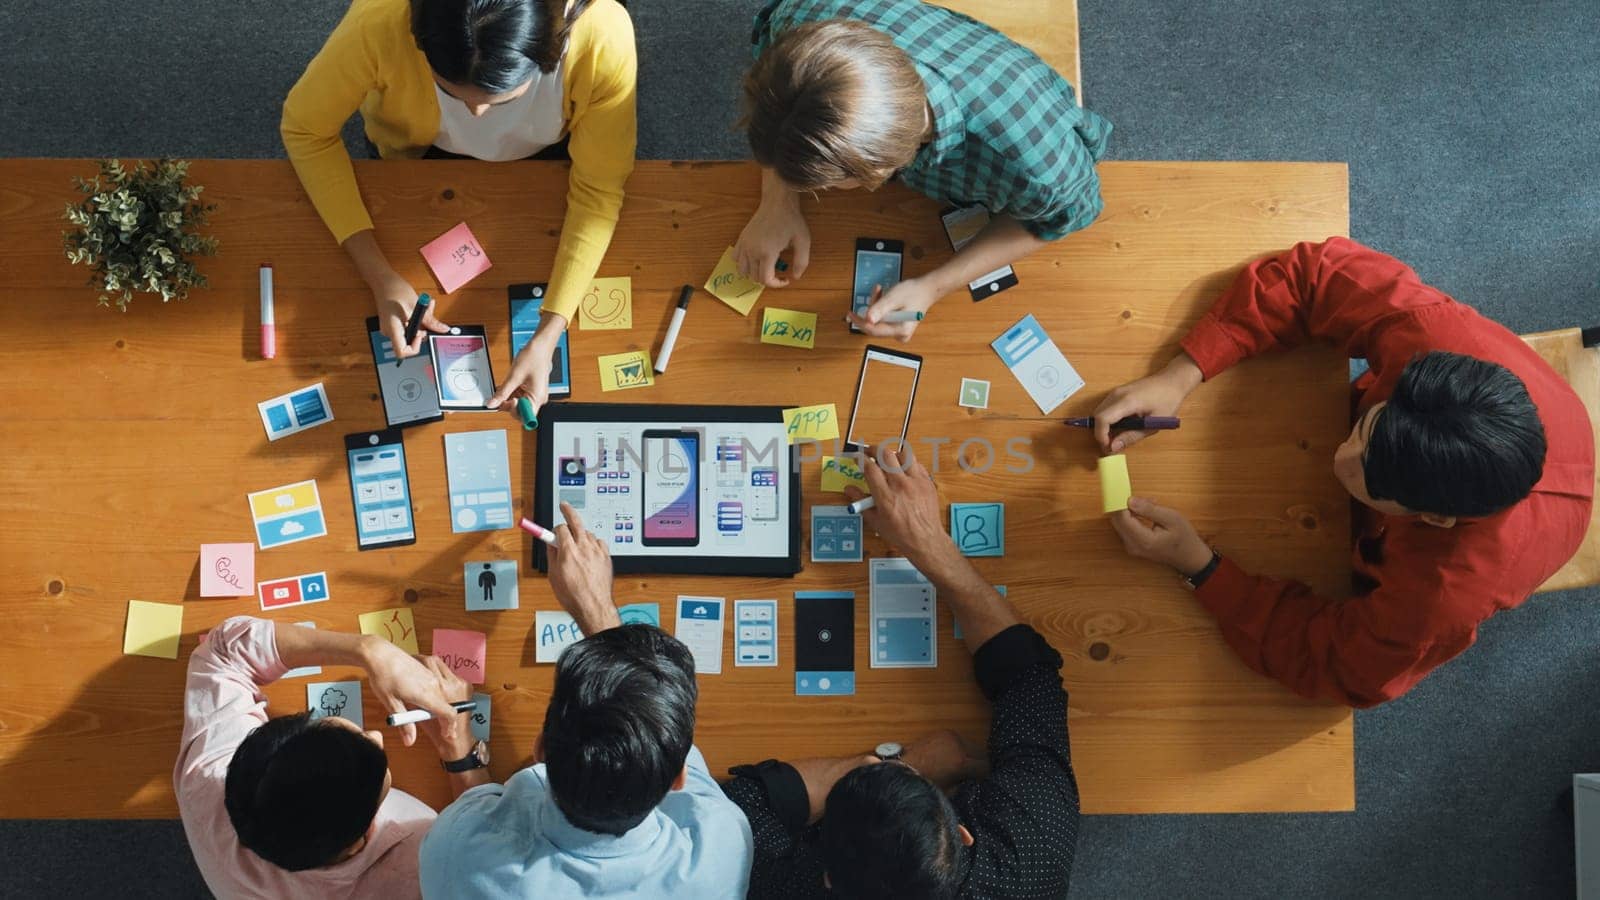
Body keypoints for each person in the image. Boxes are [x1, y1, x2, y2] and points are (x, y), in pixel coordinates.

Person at [1093, 237, 1594, 707]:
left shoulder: (1443, 595)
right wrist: (1180, 375)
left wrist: (1200, 566)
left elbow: (1334, 665)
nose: (1339, 458)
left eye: (1367, 480)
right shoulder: (1436, 337)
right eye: (1365, 427)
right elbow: (1312, 275)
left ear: (1434, 520)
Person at [723, 446, 1079, 899]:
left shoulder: (783, 886)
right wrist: (928, 541)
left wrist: (913, 762)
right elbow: (1029, 677)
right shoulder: (1031, 855)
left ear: (828, 879)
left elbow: (743, 804)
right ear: (962, 836)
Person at [281, 0, 636, 418]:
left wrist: (549, 333)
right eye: (449, 89)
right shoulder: (378, 21)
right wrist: (378, 274)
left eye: (502, 100)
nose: (477, 113)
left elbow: (598, 189)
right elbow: (305, 130)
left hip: (547, 162)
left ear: (550, 48)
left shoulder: (604, 38)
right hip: (414, 160)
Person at [418, 501, 753, 898]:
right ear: (679, 777)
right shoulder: (721, 851)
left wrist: (459, 750)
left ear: (540, 749)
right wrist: (596, 609)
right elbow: (645, 715)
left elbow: (471, 830)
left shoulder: (456, 854)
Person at [735, 0, 1111, 343]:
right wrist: (776, 200)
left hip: (1023, 115)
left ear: (882, 171)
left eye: (828, 184)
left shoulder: (1036, 166)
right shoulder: (803, 19)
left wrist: (932, 287)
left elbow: (1061, 218)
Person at [175, 615, 464, 898]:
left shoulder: (206, 783)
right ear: (356, 844)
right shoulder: (425, 878)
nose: (376, 736)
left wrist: (370, 650)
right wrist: (461, 752)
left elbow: (224, 651)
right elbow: (492, 860)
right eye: (374, 769)